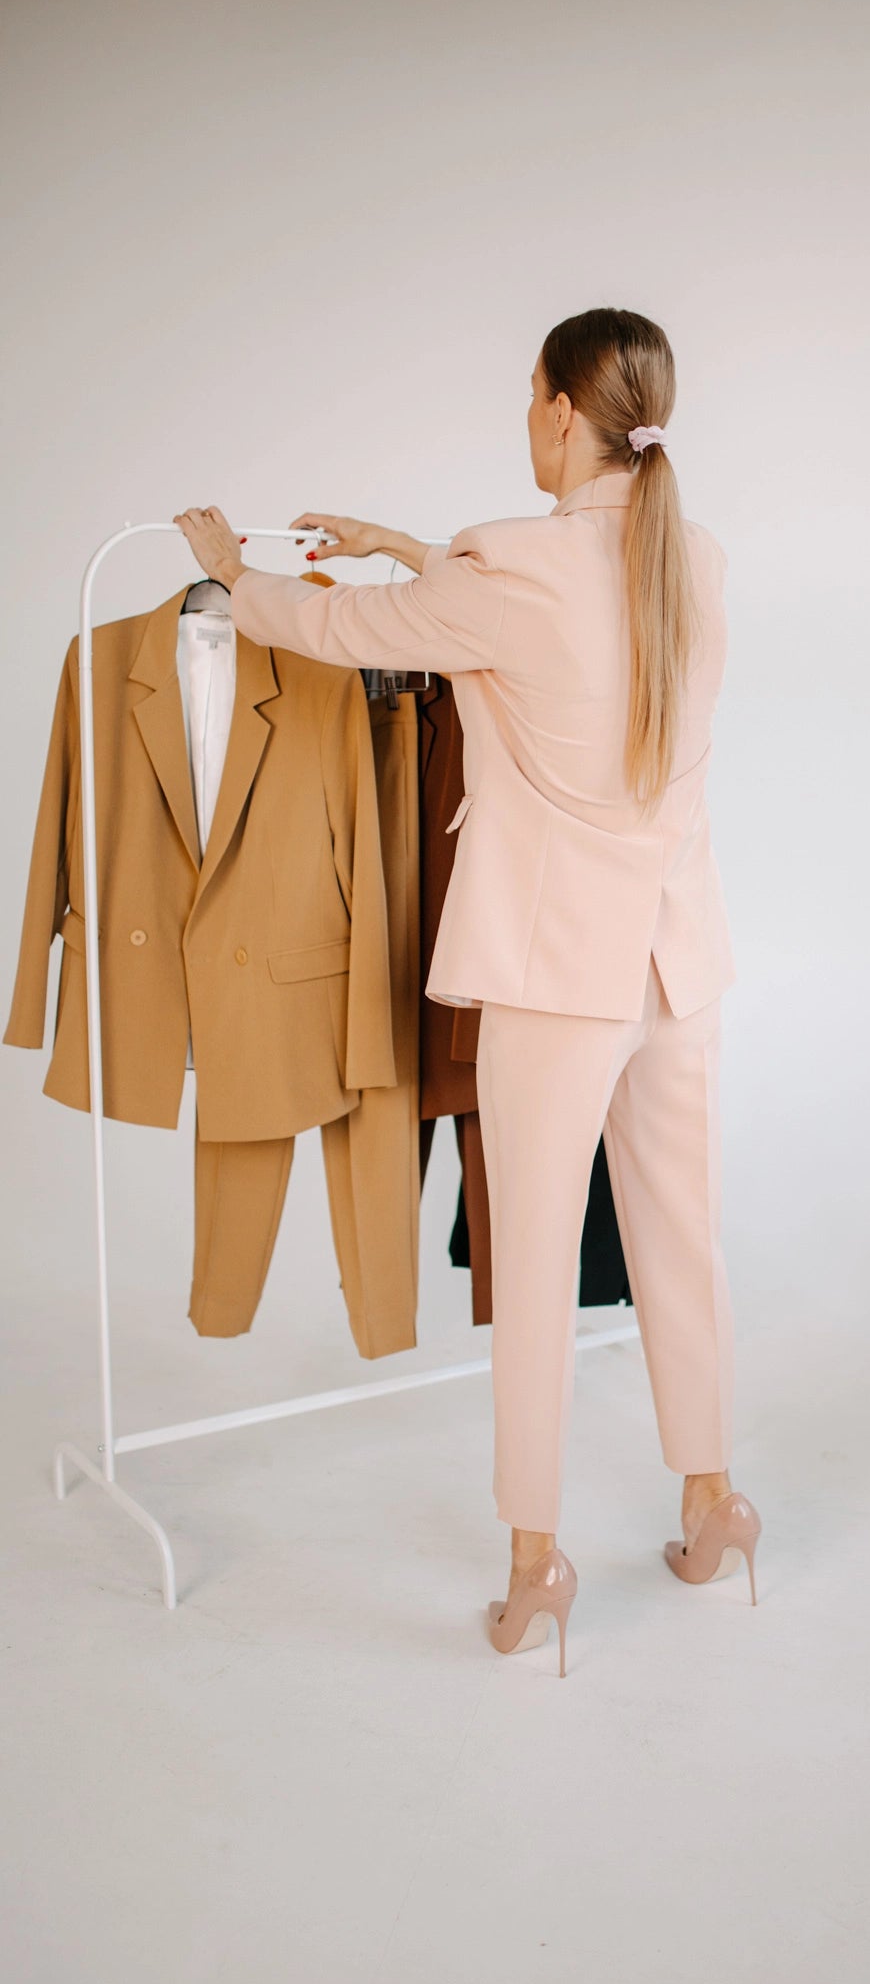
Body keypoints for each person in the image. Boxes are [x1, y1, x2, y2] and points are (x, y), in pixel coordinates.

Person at [175, 306, 760, 1676]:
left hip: (559, 981)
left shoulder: (512, 567)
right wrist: (410, 545)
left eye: (528, 402)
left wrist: (226, 578)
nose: (523, 424)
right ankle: (712, 1503)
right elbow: (538, 606)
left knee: (540, 1265)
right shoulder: (693, 554)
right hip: (679, 962)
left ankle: (532, 1563)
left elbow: (340, 628)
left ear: (562, 410)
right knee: (685, 1239)